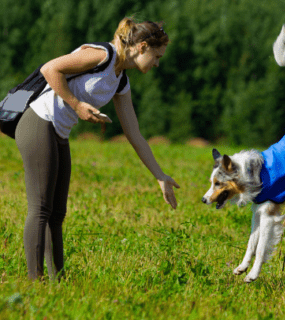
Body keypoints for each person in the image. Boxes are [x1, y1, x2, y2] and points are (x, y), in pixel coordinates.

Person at [15, 17, 181, 280]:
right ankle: (34, 284)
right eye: (157, 56)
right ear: (142, 47)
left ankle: (57, 281)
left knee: (57, 213)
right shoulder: (102, 55)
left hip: (58, 132)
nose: (158, 63)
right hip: (38, 122)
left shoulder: (120, 80)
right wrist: (77, 105)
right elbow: (50, 69)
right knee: (41, 207)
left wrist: (160, 175)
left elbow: (134, 134)